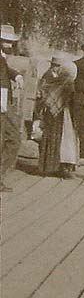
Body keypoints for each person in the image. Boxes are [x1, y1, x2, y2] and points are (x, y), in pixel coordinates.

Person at [38, 55, 78, 178]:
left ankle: (48, 166)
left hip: (52, 110)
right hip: (55, 111)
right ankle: (53, 167)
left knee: (52, 138)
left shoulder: (48, 76)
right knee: (56, 138)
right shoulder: (54, 77)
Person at [0, 24, 24, 191]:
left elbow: (5, 70)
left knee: (10, 139)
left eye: (10, 42)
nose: (9, 45)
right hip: (1, 101)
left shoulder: (2, 58)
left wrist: (16, 75)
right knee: (13, 139)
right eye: (5, 41)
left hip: (3, 99)